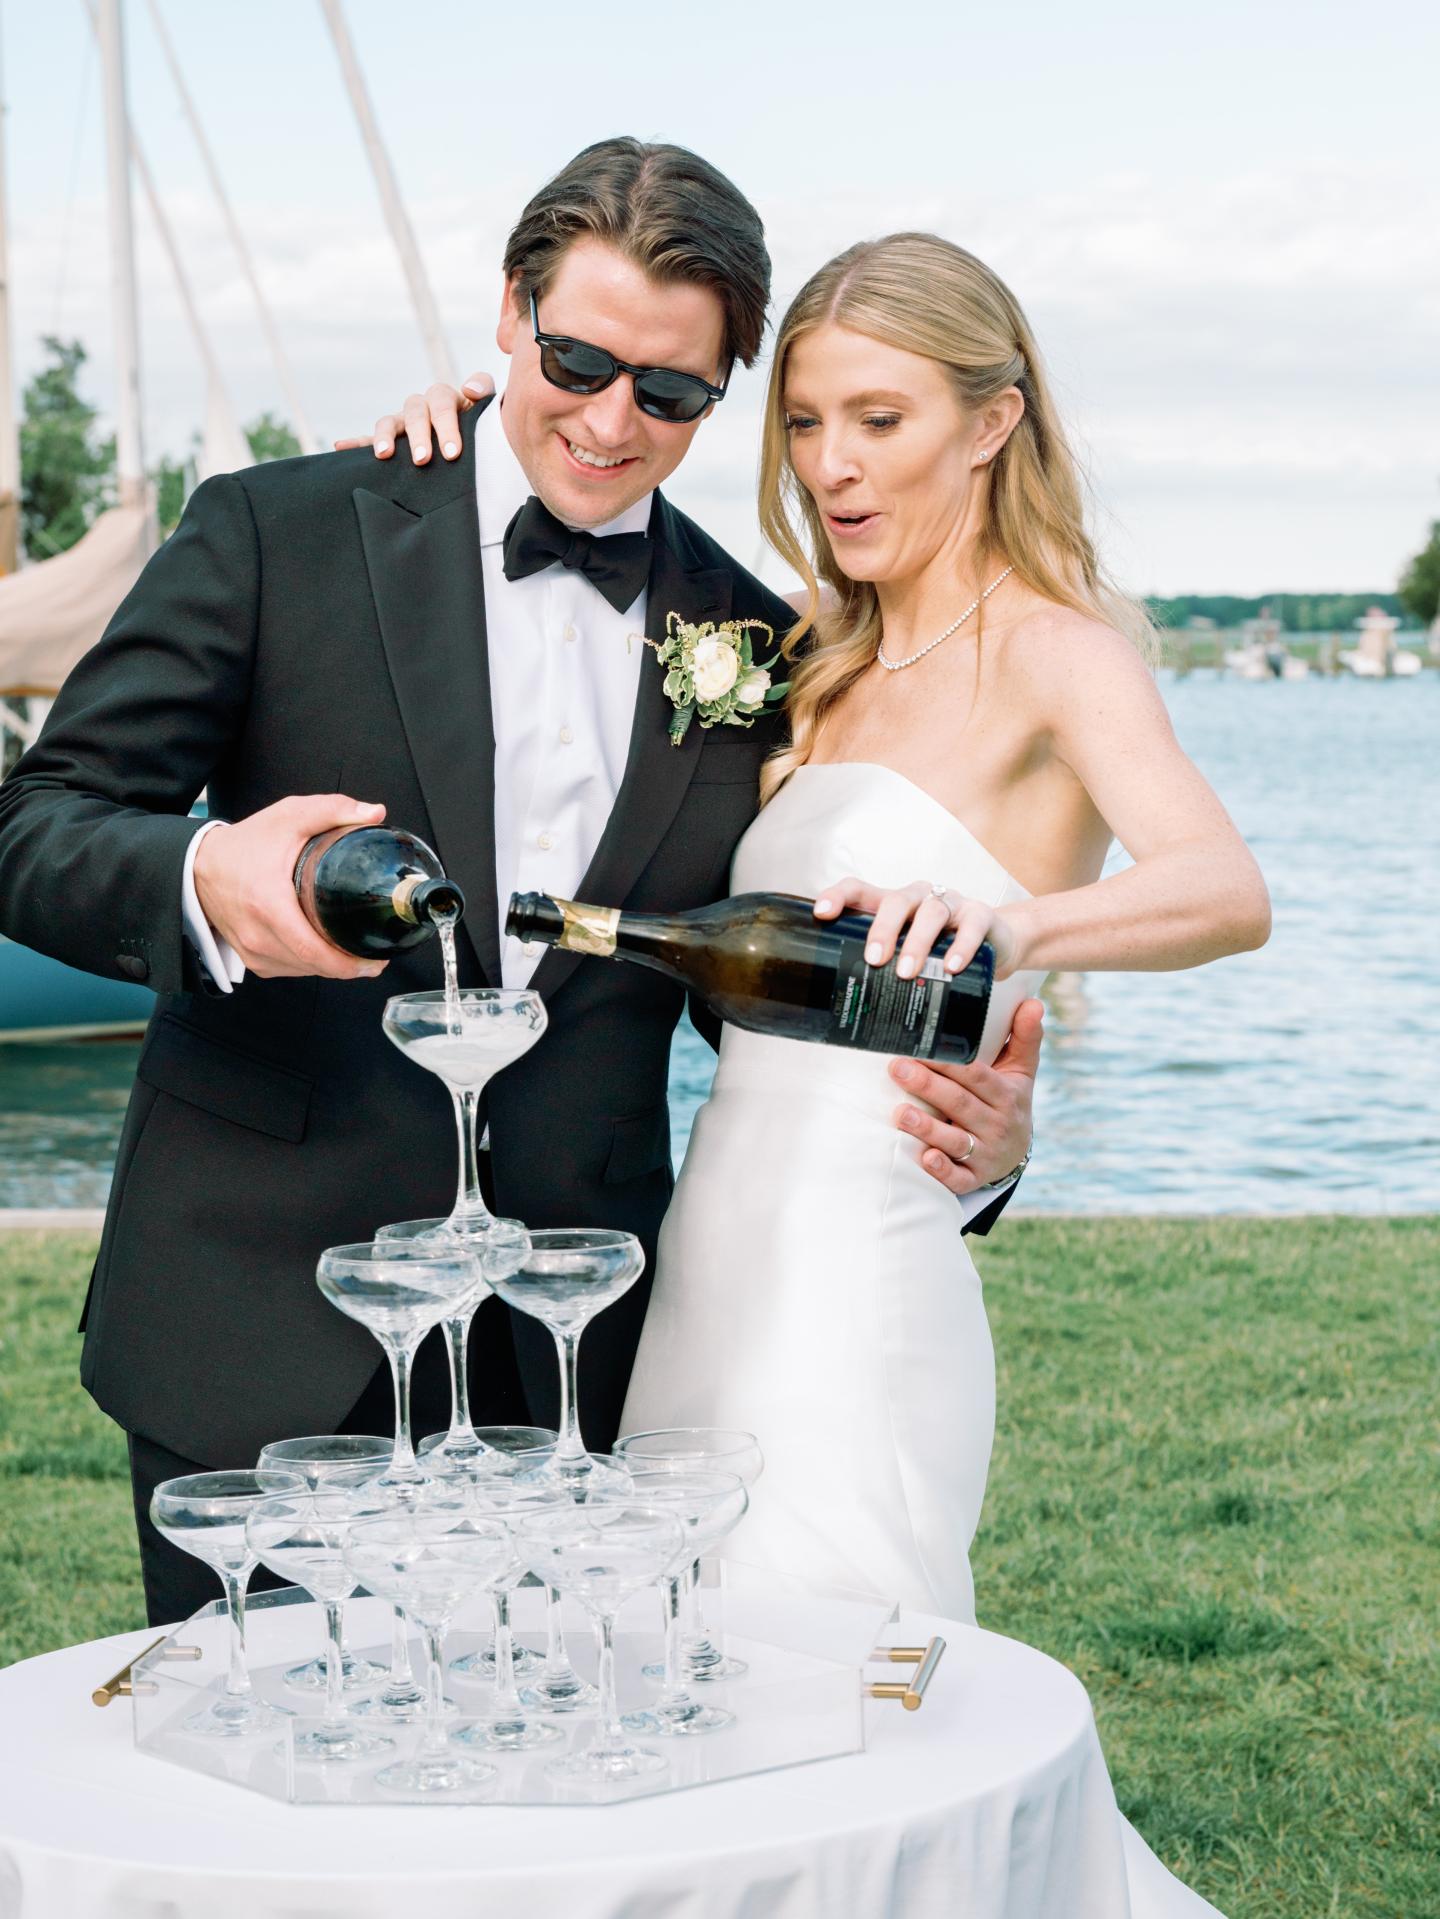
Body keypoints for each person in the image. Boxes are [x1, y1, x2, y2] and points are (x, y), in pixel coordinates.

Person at [0, 144, 1034, 1629]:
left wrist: (977, 1142)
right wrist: (206, 873)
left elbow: (776, 1016)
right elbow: (37, 823)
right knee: (265, 1817)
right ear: (508, 313)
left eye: (669, 391)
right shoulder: (274, 533)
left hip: (575, 1360)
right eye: (578, 360)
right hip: (258, 1321)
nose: (612, 423)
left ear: (721, 391)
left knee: (537, 1822)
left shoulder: (755, 650)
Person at [371, 231, 1267, 1919]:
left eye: (881, 420)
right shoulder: (803, 653)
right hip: (721, 1232)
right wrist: (469, 417)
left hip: (863, 1269)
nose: (832, 466)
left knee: (846, 1685)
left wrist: (1016, 927)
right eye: (800, 424)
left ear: (993, 422)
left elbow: (1226, 890)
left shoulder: (1056, 648)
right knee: (675, 1678)